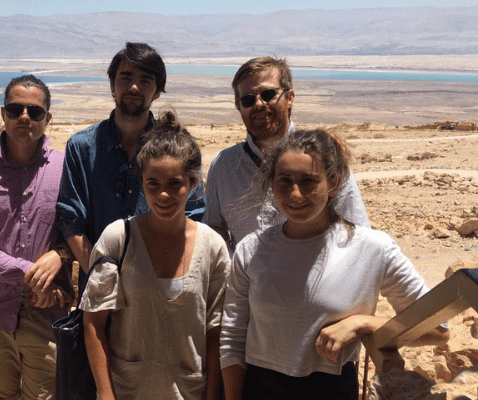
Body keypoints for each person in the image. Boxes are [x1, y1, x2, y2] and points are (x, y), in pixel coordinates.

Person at [219, 129, 450, 400]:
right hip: (260, 390)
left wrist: (364, 323)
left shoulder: (373, 248)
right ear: (272, 183)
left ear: (334, 184)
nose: (295, 193)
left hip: (333, 390)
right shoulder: (251, 250)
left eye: (308, 181)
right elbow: (232, 339)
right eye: (284, 180)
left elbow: (438, 331)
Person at [81, 111, 229, 400]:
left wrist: (212, 395)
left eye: (174, 183)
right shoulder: (118, 239)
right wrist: (106, 395)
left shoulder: (212, 247)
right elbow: (94, 325)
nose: (163, 195)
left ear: (193, 183)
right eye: (153, 184)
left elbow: (215, 333)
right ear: (142, 182)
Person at [0, 75, 71, 400]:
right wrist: (33, 275)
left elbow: (81, 231)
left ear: (47, 118)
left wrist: (61, 254)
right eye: (16, 109)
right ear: (3, 114)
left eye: (35, 111)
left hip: (47, 316)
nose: (24, 117)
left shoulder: (67, 171)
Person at [57, 42, 205, 294]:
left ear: (157, 91)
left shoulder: (179, 149)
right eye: (125, 78)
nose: (134, 87)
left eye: (145, 80)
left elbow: (193, 215)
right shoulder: (81, 148)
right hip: (99, 294)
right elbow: (71, 221)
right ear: (112, 84)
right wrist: (103, 279)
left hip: (161, 288)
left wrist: (156, 278)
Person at [202, 56, 369, 254]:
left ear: (290, 98)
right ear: (239, 107)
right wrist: (236, 268)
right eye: (247, 100)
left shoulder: (324, 156)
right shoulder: (224, 165)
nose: (258, 104)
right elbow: (214, 232)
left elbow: (357, 233)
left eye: (268, 94)